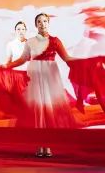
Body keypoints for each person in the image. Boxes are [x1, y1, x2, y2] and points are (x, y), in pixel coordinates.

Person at [5, 12, 77, 157]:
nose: (42, 24)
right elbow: (22, 59)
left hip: (50, 78)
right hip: (35, 78)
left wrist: (83, 62)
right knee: (38, 111)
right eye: (39, 21)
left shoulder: (55, 41)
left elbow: (67, 58)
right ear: (36, 25)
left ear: (48, 23)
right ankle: (39, 144)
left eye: (45, 21)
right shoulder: (30, 42)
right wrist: (6, 66)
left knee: (49, 111)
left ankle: (48, 146)